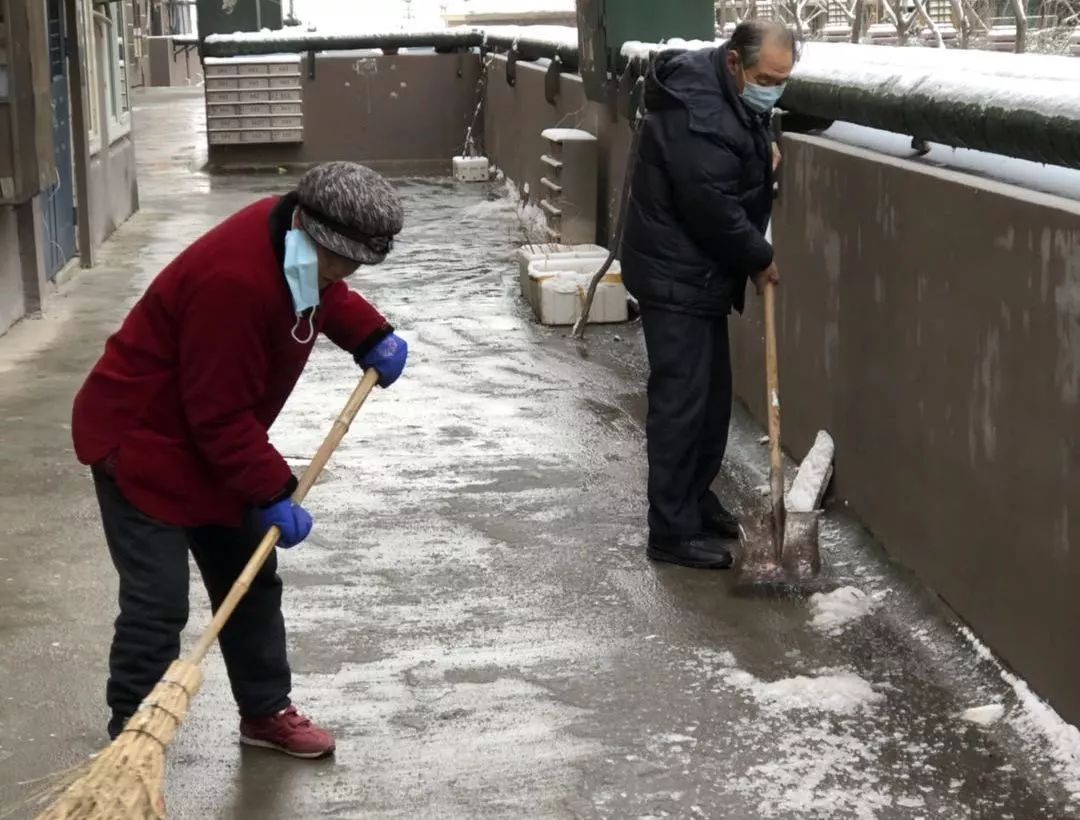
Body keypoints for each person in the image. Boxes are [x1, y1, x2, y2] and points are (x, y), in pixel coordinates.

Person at [72, 161, 408, 758]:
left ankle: (265, 712)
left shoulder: (294, 244)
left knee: (250, 581)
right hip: (143, 440)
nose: (344, 273)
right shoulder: (236, 281)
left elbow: (325, 294)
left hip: (212, 444)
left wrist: (367, 334)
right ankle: (131, 738)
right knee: (159, 602)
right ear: (311, 229)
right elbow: (219, 415)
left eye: (356, 264)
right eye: (341, 260)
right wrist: (273, 490)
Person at [620, 21, 797, 570]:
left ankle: (693, 500)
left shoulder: (729, 95)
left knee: (711, 400)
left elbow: (739, 143)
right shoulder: (698, 113)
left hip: (696, 275)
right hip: (675, 274)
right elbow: (710, 207)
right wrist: (760, 257)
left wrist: (761, 149)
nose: (773, 89)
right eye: (766, 78)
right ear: (733, 64)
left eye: (783, 80)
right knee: (681, 404)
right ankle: (670, 531)